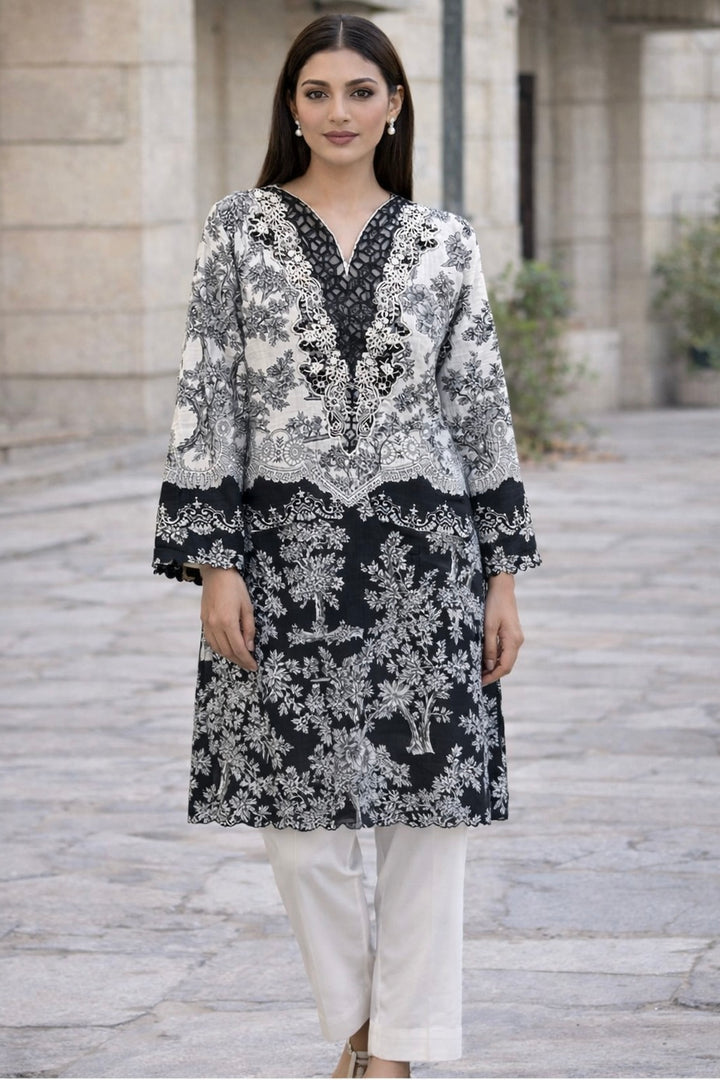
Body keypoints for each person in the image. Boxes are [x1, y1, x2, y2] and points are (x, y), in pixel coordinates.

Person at [153, 13, 540, 1078]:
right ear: (291, 105)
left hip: (429, 559)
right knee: (298, 821)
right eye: (317, 92)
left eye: (361, 92)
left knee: (429, 816)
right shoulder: (238, 230)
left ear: (394, 106)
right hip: (287, 558)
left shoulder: (444, 241)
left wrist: (503, 577)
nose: (339, 112)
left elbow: (480, 409)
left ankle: (397, 1054)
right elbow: (208, 398)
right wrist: (216, 562)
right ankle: (365, 1029)